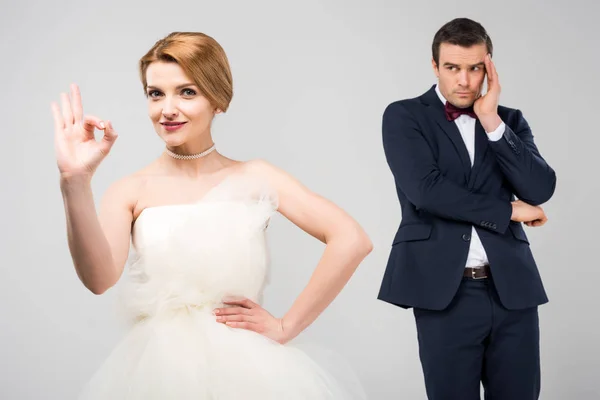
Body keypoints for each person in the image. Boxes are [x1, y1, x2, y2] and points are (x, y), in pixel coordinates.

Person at [52, 31, 372, 399]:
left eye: (187, 92)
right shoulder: (130, 190)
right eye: (156, 93)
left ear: (218, 99)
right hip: (157, 373)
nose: (167, 109)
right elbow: (98, 279)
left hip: (248, 371)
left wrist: (286, 326)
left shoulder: (257, 177)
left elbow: (351, 239)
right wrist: (74, 181)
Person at [377, 18, 556, 400]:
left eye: (475, 68)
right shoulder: (404, 116)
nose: (464, 80)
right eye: (452, 68)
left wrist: (491, 121)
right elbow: (427, 192)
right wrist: (508, 211)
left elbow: (541, 187)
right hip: (446, 292)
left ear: (488, 67)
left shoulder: (509, 120)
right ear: (434, 66)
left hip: (513, 289)